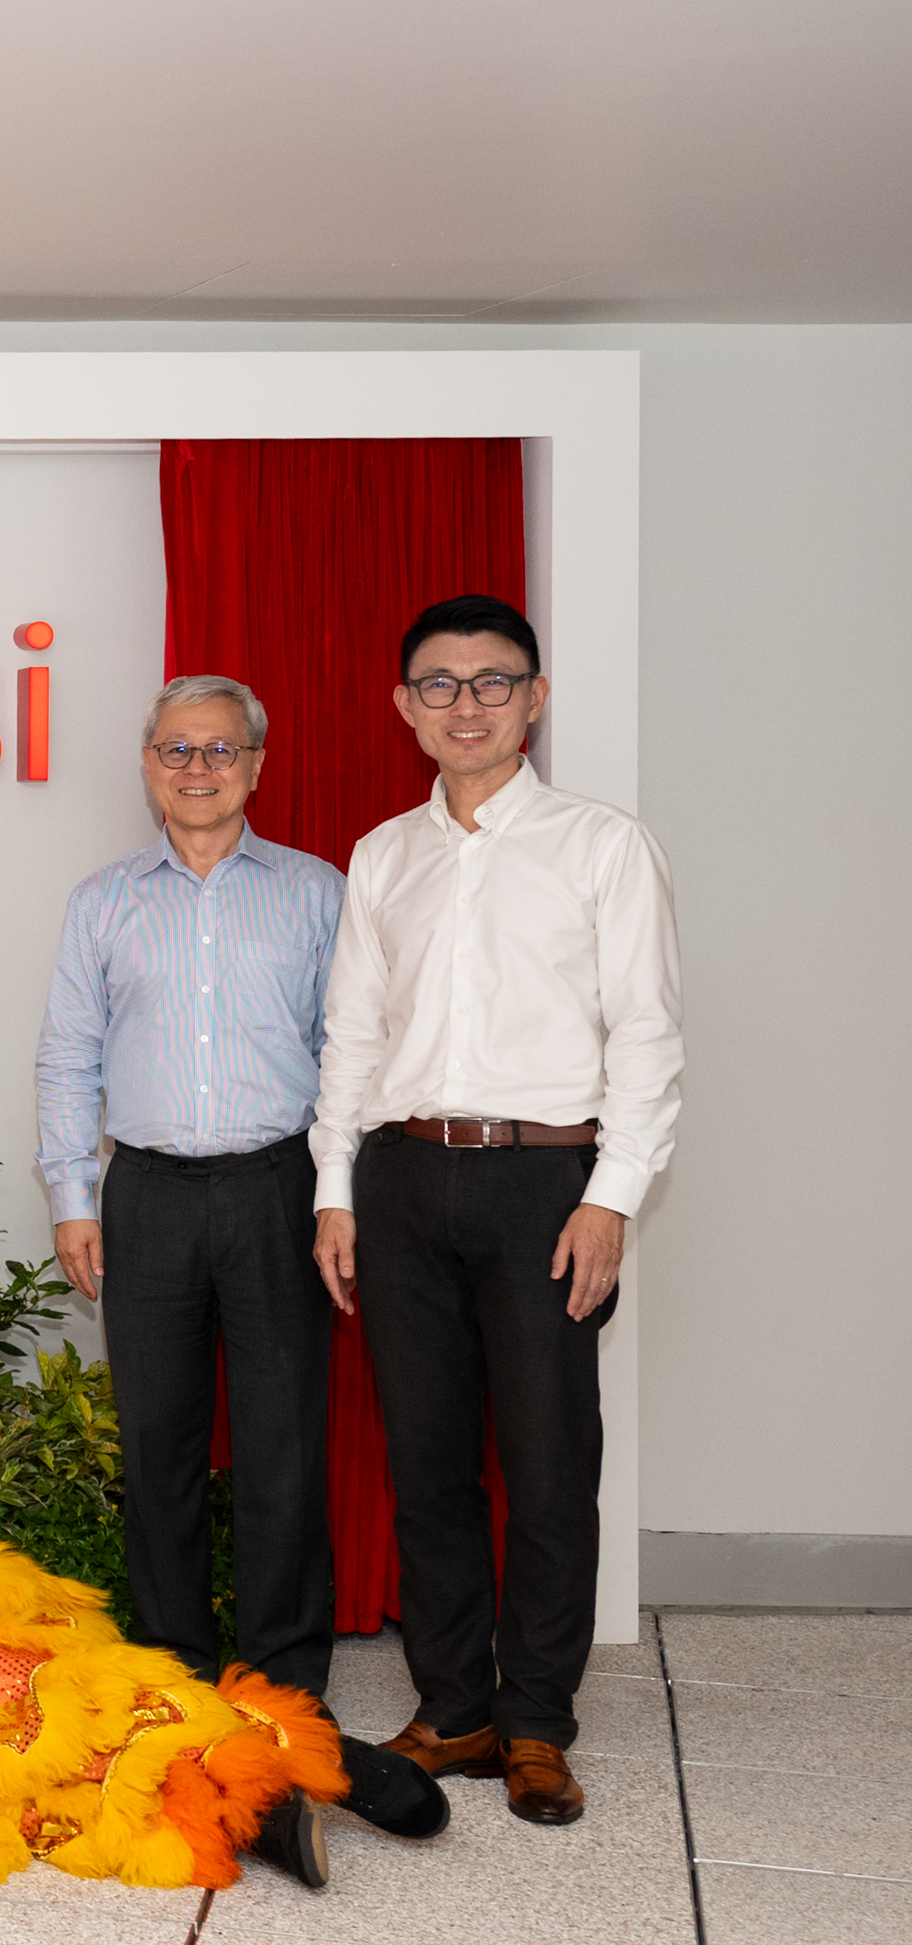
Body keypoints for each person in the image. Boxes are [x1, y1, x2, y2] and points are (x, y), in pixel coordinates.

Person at [35, 676, 442, 1886]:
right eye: (174, 747)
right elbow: (68, 1054)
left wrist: (334, 1197)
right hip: (146, 1194)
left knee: (279, 1444)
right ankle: (168, 1664)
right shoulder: (101, 904)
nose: (196, 766)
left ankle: (278, 1681)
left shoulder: (316, 893)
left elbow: (346, 1058)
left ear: (257, 764)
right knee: (154, 1440)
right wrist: (71, 1196)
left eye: (220, 749)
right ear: (146, 763)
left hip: (276, 1190)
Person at [311, 593, 681, 1829]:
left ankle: (535, 1723)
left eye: (489, 680)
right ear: (403, 706)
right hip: (404, 1178)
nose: (462, 704)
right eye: (437, 683)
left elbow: (645, 1035)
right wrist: (334, 1189)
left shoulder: (599, 845)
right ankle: (452, 1704)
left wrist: (609, 1198)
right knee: (424, 1464)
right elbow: (351, 1035)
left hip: (545, 1185)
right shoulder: (383, 855)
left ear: (532, 698)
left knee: (545, 1460)